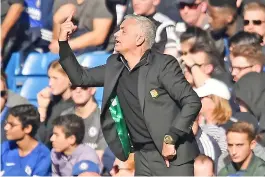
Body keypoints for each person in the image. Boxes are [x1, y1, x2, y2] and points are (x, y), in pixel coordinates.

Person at [58, 13, 202, 175]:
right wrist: (63, 43)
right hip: (141, 156)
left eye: (123, 31)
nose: (116, 34)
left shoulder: (163, 65)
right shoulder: (115, 65)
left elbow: (192, 101)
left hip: (172, 154)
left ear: (139, 39)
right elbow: (80, 77)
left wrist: (171, 137)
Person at [1, 104, 51, 176]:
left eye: (12, 125)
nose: (6, 128)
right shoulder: (4, 147)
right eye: (6, 123)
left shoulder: (43, 156)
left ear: (27, 128)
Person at [61, 84, 107, 157]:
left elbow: (101, 156)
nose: (78, 90)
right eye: (73, 87)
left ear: (93, 89)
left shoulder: (104, 117)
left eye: (84, 87)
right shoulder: (64, 116)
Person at [37, 60, 74, 147]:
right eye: (49, 78)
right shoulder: (50, 102)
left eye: (55, 78)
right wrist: (42, 109)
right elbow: (41, 139)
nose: (50, 83)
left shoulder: (78, 104)